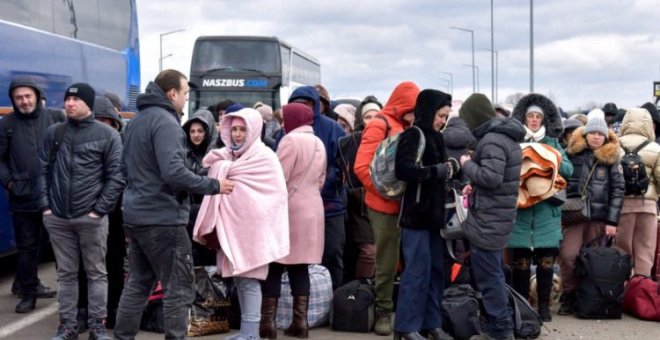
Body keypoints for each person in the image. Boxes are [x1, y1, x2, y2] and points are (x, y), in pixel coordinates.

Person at [114, 69, 221, 340]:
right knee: (179, 288)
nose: (186, 99)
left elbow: (124, 168)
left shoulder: (137, 121)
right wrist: (214, 185)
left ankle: (122, 336)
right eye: (185, 93)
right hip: (163, 219)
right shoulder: (167, 123)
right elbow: (173, 172)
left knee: (138, 284)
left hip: (136, 215)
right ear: (172, 93)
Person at [194, 108, 289, 340]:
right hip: (234, 230)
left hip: (254, 233)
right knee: (241, 280)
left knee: (249, 281)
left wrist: (223, 169)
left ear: (254, 130)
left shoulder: (264, 157)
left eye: (242, 129)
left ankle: (250, 333)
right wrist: (223, 166)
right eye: (234, 129)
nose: (237, 134)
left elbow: (273, 198)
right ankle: (248, 332)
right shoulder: (230, 157)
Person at [37, 83, 124, 340]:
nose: (69, 104)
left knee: (97, 273)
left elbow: (116, 176)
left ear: (88, 104)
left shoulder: (108, 135)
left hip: (91, 218)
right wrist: (46, 208)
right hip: (59, 218)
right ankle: (67, 326)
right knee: (66, 275)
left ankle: (97, 325)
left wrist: (98, 211)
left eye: (75, 100)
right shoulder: (54, 133)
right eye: (67, 99)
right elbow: (41, 171)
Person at [354, 81, 420, 336]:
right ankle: (383, 310)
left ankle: (398, 308)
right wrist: (385, 191)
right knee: (386, 260)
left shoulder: (405, 126)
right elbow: (361, 167)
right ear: (403, 105)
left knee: (402, 260)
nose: (415, 114)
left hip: (404, 203)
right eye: (412, 109)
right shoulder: (378, 125)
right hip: (384, 206)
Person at [458, 93, 525, 340]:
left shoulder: (491, 140)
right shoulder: (504, 137)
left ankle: (500, 331)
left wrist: (466, 164)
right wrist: (473, 187)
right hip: (498, 216)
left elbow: (491, 178)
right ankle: (502, 326)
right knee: (494, 273)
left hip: (489, 220)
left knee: (490, 279)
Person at [392, 89, 458, 340]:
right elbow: (404, 170)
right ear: (429, 111)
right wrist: (437, 171)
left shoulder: (437, 137)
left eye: (446, 116)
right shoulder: (413, 135)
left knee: (435, 272)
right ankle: (407, 327)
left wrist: (452, 169)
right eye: (440, 115)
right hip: (416, 216)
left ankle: (431, 323)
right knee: (416, 272)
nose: (443, 120)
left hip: (434, 217)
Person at [259, 103, 326, 339]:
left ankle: (267, 324)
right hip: (312, 209)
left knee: (275, 265)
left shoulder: (289, 141)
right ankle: (301, 323)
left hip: (289, 210)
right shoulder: (318, 142)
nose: (284, 123)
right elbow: (321, 179)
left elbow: (279, 178)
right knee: (300, 266)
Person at [508, 94, 574, 322]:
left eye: (538, 116)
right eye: (530, 116)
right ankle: (522, 306)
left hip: (547, 212)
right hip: (522, 211)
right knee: (521, 264)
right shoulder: (515, 142)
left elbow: (568, 169)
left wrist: (549, 157)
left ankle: (544, 306)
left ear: (544, 120)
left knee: (547, 263)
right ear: (523, 119)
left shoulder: (554, 143)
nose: (534, 120)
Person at [0, 78, 60, 313]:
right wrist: (10, 182)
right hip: (23, 198)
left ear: (37, 95)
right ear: (13, 101)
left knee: (58, 249)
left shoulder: (55, 118)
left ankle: (70, 298)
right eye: (19, 98)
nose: (24, 101)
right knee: (27, 248)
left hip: (55, 198)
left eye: (28, 96)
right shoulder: (6, 125)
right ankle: (28, 294)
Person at [557, 116, 625, 315]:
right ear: (586, 134)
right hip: (574, 215)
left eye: (600, 134)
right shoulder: (572, 154)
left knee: (594, 261)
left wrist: (612, 221)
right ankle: (569, 294)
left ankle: (587, 298)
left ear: (606, 136)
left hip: (599, 218)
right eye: (593, 133)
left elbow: (618, 191)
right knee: (568, 255)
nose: (596, 137)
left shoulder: (612, 159)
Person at [288, 86, 347, 290]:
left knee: (332, 254)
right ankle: (306, 305)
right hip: (296, 208)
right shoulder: (285, 131)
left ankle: (334, 303)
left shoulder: (333, 129)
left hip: (331, 205)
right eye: (297, 104)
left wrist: (319, 188)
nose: (302, 108)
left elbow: (341, 166)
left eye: (307, 104)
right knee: (299, 259)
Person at [616, 108, 660, 277]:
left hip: (622, 206)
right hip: (647, 208)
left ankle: (621, 291)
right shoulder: (655, 148)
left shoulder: (615, 147)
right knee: (645, 252)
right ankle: (641, 292)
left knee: (622, 251)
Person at [182, 109, 218, 266]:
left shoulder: (216, 154)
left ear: (207, 132)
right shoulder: (183, 153)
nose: (196, 135)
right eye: (192, 131)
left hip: (209, 216)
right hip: (187, 216)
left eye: (200, 131)